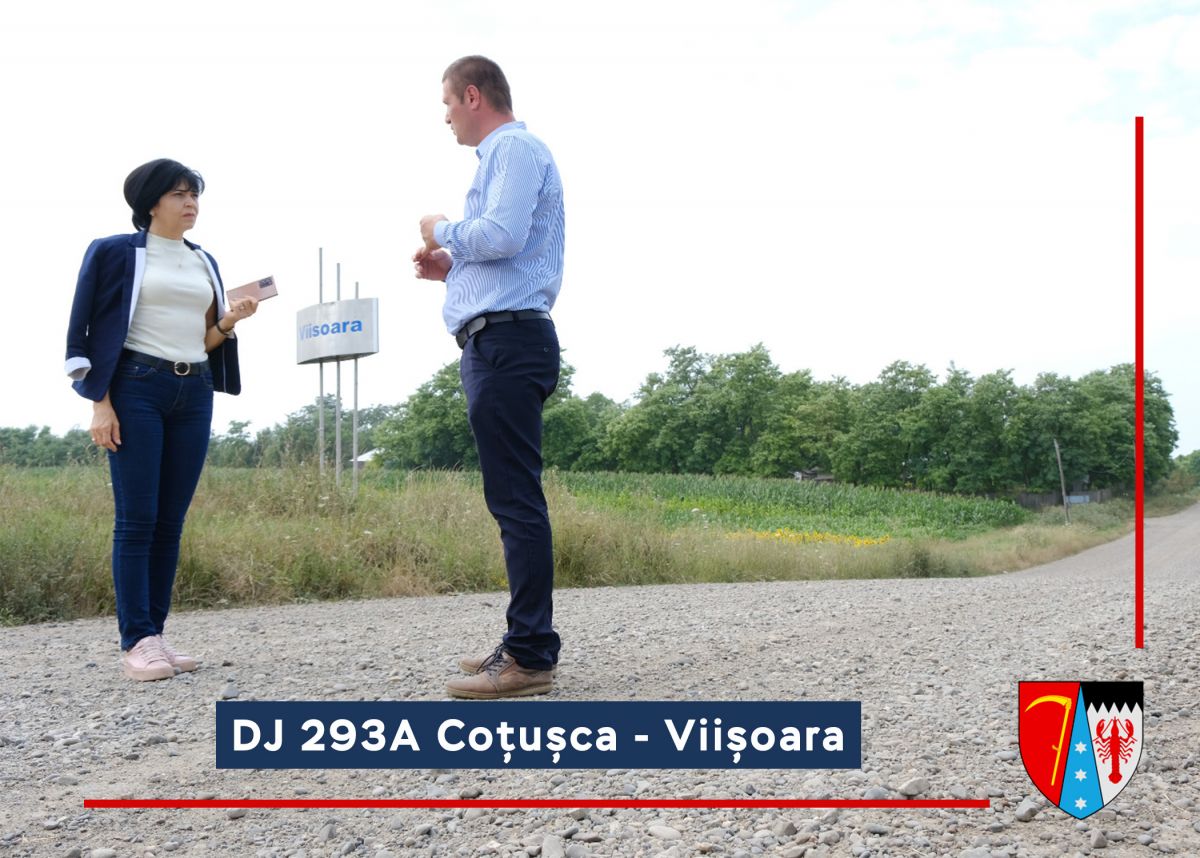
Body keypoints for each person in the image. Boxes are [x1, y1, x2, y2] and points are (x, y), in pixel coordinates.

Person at [65, 158, 258, 681]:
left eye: (194, 194)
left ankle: (155, 633)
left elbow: (204, 338)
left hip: (193, 389)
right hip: (136, 387)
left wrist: (230, 320)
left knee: (170, 521)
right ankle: (136, 640)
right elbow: (81, 333)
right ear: (151, 203)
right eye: (179, 194)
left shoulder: (203, 260)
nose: (191, 203)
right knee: (137, 519)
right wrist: (99, 402)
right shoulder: (113, 252)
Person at [414, 56, 566, 699]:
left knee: (515, 501)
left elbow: (501, 235)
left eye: (447, 103)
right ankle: (524, 639)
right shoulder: (504, 157)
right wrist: (452, 267)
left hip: (507, 342)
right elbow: (511, 251)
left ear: (472, 95)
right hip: (498, 340)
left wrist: (440, 229)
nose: (445, 116)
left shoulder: (513, 149)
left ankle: (530, 655)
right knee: (511, 499)